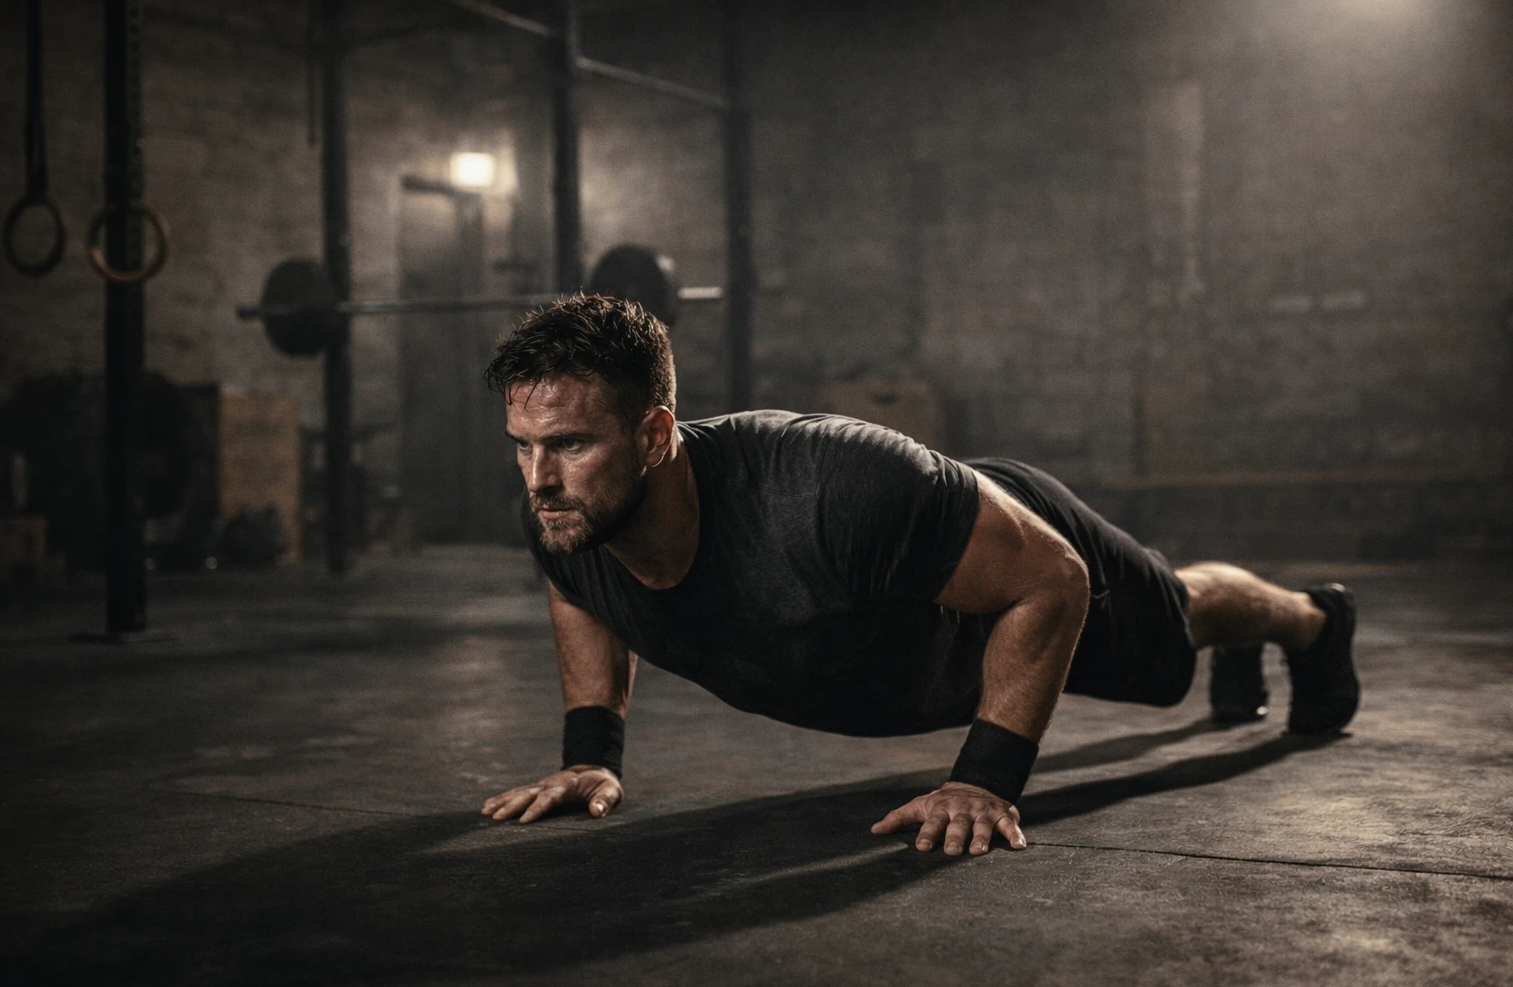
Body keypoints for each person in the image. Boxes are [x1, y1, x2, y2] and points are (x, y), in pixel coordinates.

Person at [478, 295, 1360, 857]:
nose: (539, 478)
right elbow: (580, 587)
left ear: (656, 433)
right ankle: (1249, 636)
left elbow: (1052, 580)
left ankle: (1314, 622)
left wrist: (985, 778)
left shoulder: (828, 485)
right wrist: (591, 756)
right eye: (523, 446)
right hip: (921, 607)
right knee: (1178, 638)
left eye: (570, 444)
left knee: (1174, 630)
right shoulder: (563, 513)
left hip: (1010, 568)